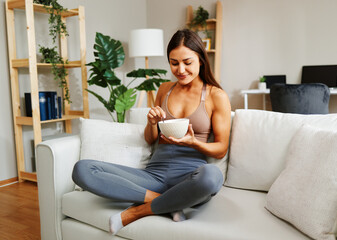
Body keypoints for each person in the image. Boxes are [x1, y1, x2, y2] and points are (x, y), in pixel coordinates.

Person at [72, 29, 231, 235]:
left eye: (187, 62)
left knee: (211, 177)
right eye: (174, 63)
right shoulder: (165, 89)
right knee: (82, 169)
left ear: (200, 59)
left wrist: (194, 143)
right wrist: (152, 123)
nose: (180, 69)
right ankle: (169, 203)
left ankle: (138, 211)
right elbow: (150, 139)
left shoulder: (215, 95)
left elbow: (220, 149)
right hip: (153, 175)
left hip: (189, 177)